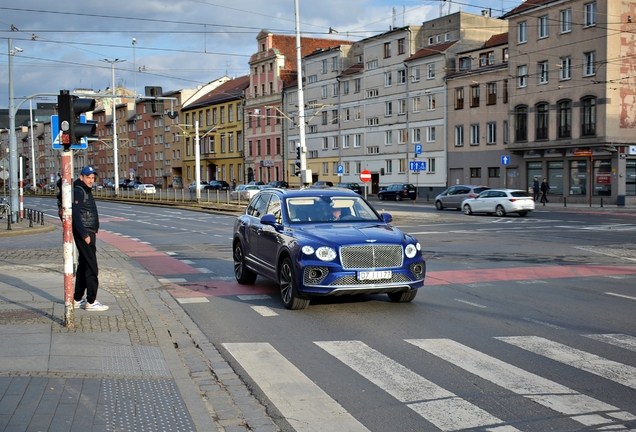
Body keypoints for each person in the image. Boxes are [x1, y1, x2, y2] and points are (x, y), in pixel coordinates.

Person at [72, 166, 109, 311]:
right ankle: (91, 301)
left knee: (84, 264)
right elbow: (75, 215)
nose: (91, 180)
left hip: (88, 231)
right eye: (88, 177)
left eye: (93, 178)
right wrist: (85, 235)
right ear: (81, 177)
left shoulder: (83, 190)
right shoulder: (79, 191)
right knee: (92, 266)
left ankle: (77, 298)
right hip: (85, 232)